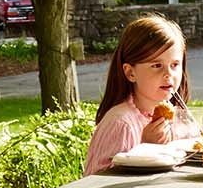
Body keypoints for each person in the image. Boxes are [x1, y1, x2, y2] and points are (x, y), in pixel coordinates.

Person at [83, 16, 196, 176]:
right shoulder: (122, 124)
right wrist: (146, 149)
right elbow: (96, 183)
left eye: (174, 65)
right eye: (157, 65)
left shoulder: (178, 120)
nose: (168, 74)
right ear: (130, 72)